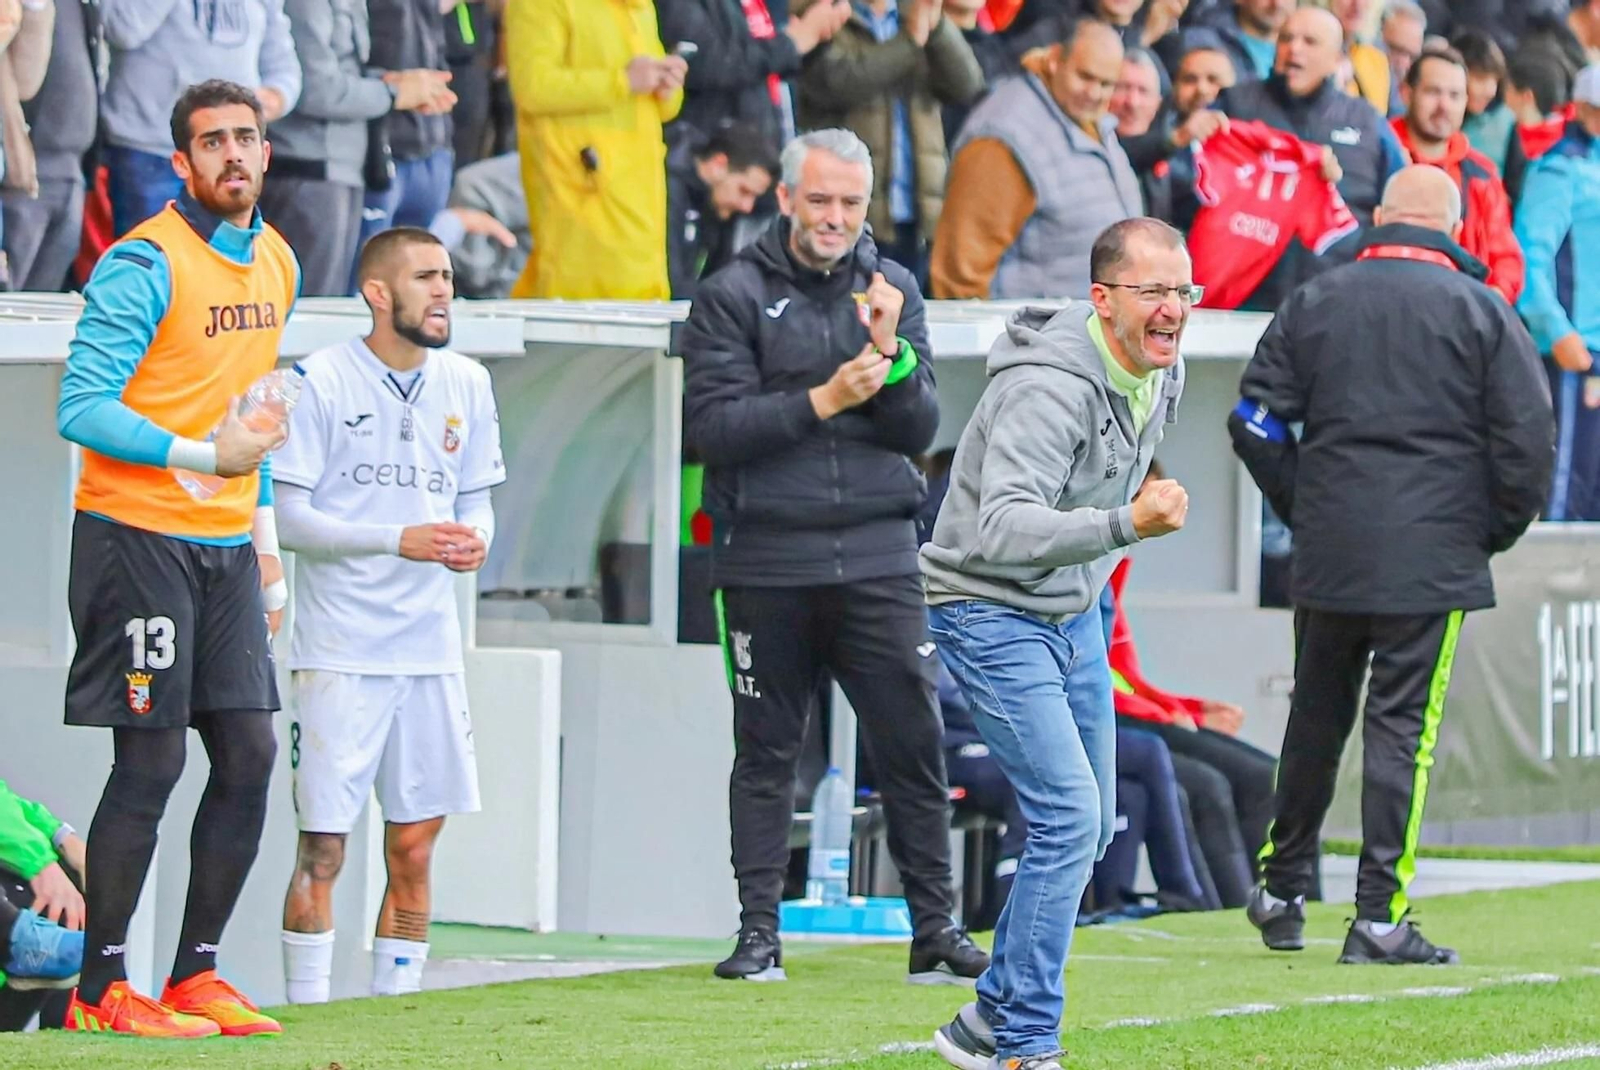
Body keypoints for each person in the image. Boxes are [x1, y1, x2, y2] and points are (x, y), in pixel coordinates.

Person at [681, 127, 986, 985]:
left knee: (913, 742)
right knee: (767, 750)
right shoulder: (731, 293)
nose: (836, 218)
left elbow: (917, 425)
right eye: (820, 200)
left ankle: (935, 930)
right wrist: (823, 399)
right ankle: (758, 933)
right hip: (766, 557)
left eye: (851, 203)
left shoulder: (893, 290)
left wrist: (889, 354)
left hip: (880, 553)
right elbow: (712, 430)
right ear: (785, 199)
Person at [1229, 166, 1553, 966]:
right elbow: (1529, 444)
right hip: (1432, 556)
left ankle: (1282, 889)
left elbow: (1254, 418)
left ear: (1379, 216)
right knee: (1402, 730)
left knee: (1315, 717)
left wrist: (1305, 503)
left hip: (1331, 549)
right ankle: (1378, 915)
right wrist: (1487, 532)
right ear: (1455, 228)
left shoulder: (1317, 297)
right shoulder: (1483, 309)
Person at [54, 79, 299, 1037]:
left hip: (227, 546)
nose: (232, 154)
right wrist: (203, 458)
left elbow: (252, 419)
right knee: (151, 762)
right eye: (212, 141)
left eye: (245, 137)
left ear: (266, 153)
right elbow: (81, 407)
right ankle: (99, 991)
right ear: (181, 163)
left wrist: (266, 549)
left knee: (250, 752)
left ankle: (196, 974)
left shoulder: (276, 259)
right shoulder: (143, 262)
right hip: (135, 536)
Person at [922, 217, 1193, 1070]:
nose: (1173, 308)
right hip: (987, 608)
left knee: (1093, 822)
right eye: (1152, 291)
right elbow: (1001, 527)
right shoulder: (1047, 389)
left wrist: (1108, 556)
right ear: (1102, 299)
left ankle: (986, 1018)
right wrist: (1125, 524)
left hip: (1074, 613)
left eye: (1182, 290)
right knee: (1070, 818)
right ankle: (1025, 1043)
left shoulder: (1164, 369)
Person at [275, 227, 504, 1004]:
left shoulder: (469, 382)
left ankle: (395, 1006)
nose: (443, 291)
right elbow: (288, 519)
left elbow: (475, 499)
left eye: (448, 277)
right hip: (340, 650)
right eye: (425, 277)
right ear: (378, 293)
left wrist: (476, 540)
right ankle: (309, 1010)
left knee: (415, 846)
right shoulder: (318, 380)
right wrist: (395, 539)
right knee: (324, 849)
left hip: (430, 649)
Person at [932, 18, 1140, 300]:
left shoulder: (1088, 119)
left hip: (1083, 323)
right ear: (1054, 59)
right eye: (1085, 77)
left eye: (1106, 84)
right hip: (1030, 326)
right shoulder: (1004, 135)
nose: (1093, 93)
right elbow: (959, 275)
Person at [1216, 5, 1405, 310]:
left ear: (1336, 59)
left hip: (1337, 302)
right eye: (1286, 39)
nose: (1294, 49)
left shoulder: (1367, 121)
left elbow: (1400, 203)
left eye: (1310, 41)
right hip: (1243, 300)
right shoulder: (1235, 105)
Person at [506, 0, 686, 299]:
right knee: (575, 294)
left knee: (639, 293)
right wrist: (623, 80)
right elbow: (532, 87)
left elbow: (661, 107)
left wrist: (668, 86)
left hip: (642, 189)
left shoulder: (640, 6)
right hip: (580, 183)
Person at [1515, 65, 1600, 521]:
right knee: (1566, 491)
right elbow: (1528, 260)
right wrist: (1557, 331)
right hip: (1575, 354)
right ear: (1583, 108)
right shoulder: (1558, 169)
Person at [1390, 46, 1523, 304]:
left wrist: (1491, 302)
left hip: (1463, 313)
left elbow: (1506, 258)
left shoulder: (1482, 173)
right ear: (1406, 93)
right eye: (1433, 92)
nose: (1444, 106)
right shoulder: (1378, 154)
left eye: (1455, 95)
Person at [666, 121, 779, 301]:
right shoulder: (667, 192)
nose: (747, 207)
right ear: (718, 165)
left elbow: (719, 279)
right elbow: (672, 283)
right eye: (744, 191)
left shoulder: (720, 207)